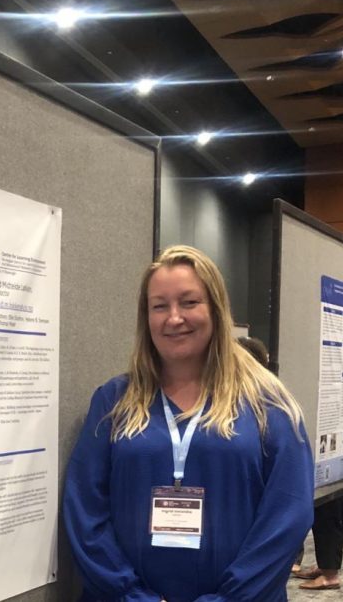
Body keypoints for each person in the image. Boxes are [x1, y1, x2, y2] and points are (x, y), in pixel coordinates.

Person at [63, 245, 314, 602]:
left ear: (215, 308)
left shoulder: (268, 403)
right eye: (160, 305)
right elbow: (84, 509)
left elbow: (288, 515)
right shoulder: (114, 400)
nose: (174, 317)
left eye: (189, 302)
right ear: (145, 316)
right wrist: (131, 595)